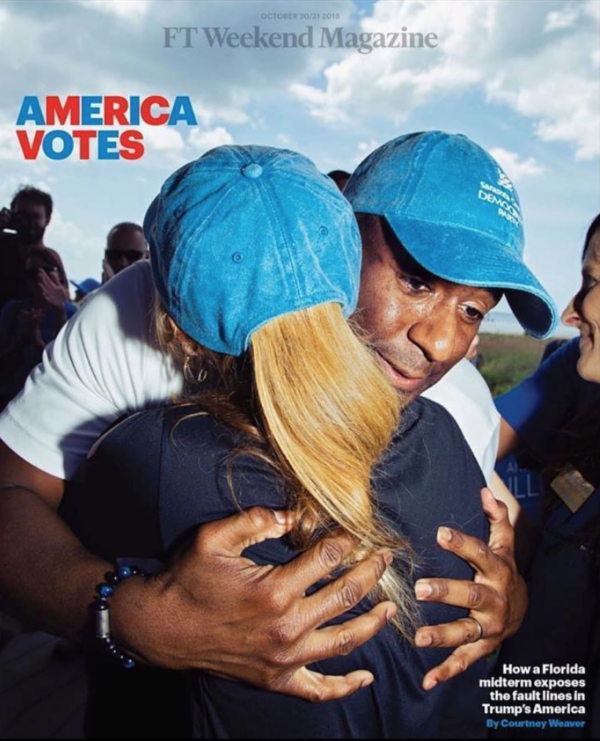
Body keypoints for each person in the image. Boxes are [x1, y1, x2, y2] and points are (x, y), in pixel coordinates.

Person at [0, 132, 553, 701]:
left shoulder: (454, 407)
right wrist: (134, 618)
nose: (438, 343)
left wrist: (511, 602)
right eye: (414, 281)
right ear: (339, 232)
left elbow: (497, 537)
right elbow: (11, 490)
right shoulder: (138, 314)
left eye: (471, 311)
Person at [495, 214, 600, 737]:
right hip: (531, 687)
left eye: (595, 282)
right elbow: (478, 439)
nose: (570, 312)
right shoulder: (579, 372)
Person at [0, 248, 75, 410]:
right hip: (11, 398)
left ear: (60, 274)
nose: (39, 278)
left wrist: (59, 312)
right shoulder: (14, 310)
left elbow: (68, 366)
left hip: (50, 403)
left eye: (47, 270)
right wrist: (21, 338)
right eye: (31, 273)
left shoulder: (74, 313)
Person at [0, 185, 54, 312]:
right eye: (22, 216)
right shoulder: (4, 244)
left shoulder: (49, 259)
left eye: (35, 217)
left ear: (47, 219)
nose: (29, 222)